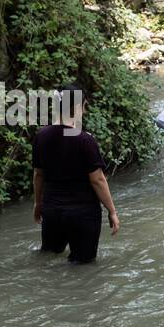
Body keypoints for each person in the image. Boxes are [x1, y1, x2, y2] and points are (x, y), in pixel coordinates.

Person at [32, 84, 120, 263]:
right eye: (85, 106)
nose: (85, 111)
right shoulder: (85, 140)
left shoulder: (41, 135)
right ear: (78, 107)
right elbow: (97, 180)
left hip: (52, 211)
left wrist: (37, 203)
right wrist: (112, 211)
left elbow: (38, 175)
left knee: (49, 258)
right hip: (82, 214)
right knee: (82, 266)